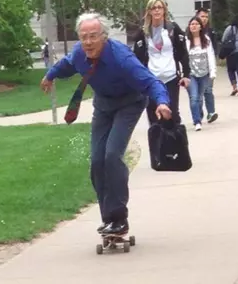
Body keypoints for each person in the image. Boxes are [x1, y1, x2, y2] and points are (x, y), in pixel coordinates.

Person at [40, 12, 172, 236]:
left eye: (93, 36)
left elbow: (150, 81)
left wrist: (162, 102)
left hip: (129, 104)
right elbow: (67, 64)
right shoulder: (80, 53)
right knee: (97, 161)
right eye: (84, 37)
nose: (88, 42)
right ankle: (108, 217)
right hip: (103, 106)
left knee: (112, 155)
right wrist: (50, 75)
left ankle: (120, 217)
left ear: (104, 37)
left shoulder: (121, 58)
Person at [133, 0, 190, 127]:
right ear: (149, 11)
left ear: (164, 10)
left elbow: (183, 53)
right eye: (154, 8)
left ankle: (175, 144)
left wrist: (186, 75)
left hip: (170, 77)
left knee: (172, 113)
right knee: (154, 117)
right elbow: (137, 59)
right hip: (151, 79)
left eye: (160, 7)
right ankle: (157, 146)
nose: (157, 11)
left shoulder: (173, 29)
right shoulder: (143, 33)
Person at [185, 17, 216, 131]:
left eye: (196, 24)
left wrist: (213, 72)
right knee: (194, 98)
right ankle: (197, 121)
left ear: (200, 26)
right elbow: (183, 58)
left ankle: (198, 113)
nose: (193, 26)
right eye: (191, 24)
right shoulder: (186, 41)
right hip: (191, 74)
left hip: (204, 74)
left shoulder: (206, 40)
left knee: (200, 98)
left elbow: (211, 56)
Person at [196, 7, 218, 123]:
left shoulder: (210, 31)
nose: (204, 19)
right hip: (196, 67)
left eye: (206, 17)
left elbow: (214, 48)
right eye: (202, 16)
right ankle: (198, 113)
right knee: (198, 93)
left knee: (208, 90)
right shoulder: (192, 29)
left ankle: (211, 112)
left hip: (208, 65)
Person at [221, 14, 238, 96]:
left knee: (231, 70)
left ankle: (234, 87)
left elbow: (223, 39)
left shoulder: (230, 28)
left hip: (232, 50)